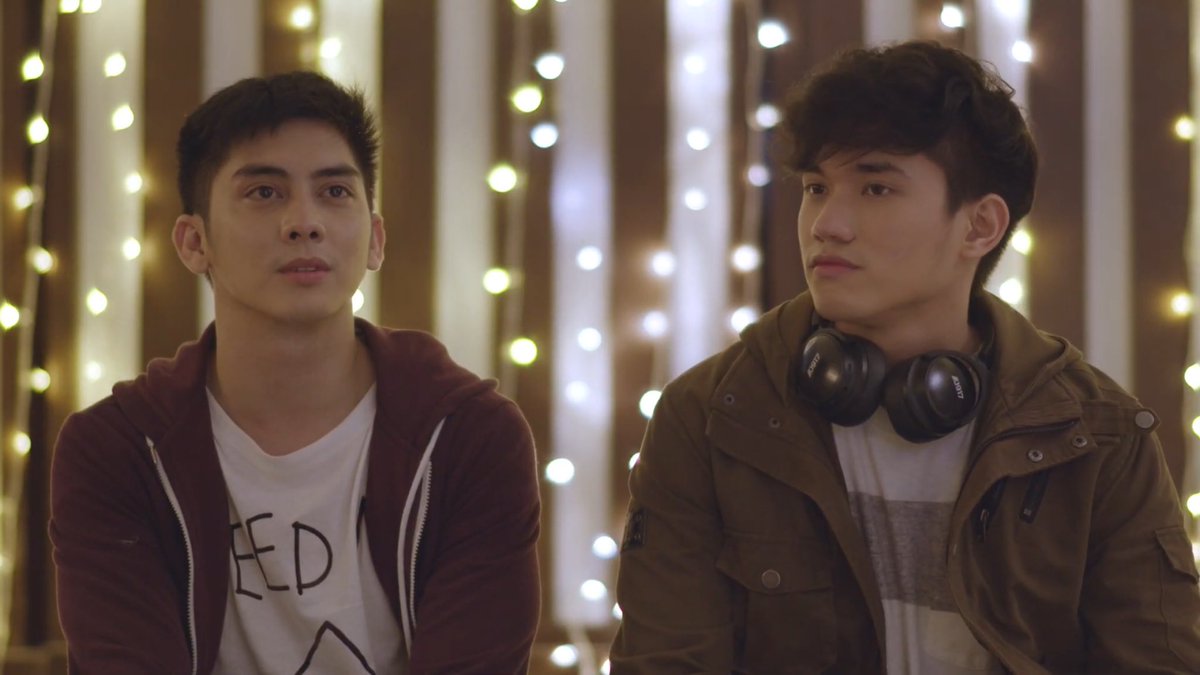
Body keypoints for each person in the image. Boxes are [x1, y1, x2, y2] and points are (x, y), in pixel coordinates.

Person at [610, 40, 1200, 674]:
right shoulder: (710, 417)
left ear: (979, 226)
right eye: (816, 187)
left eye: (876, 188)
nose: (826, 223)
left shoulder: (1096, 434)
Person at [49, 71, 541, 674]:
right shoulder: (118, 449)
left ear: (375, 240)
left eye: (334, 191)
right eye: (264, 192)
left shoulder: (471, 437)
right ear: (194, 242)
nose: (304, 222)